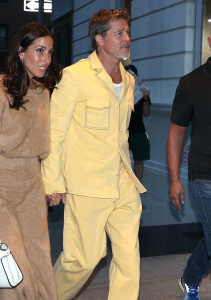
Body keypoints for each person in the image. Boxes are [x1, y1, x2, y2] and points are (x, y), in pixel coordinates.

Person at [41, 9, 146, 300]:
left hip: (123, 183)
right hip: (87, 185)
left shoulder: (128, 81)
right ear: (99, 39)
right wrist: (53, 181)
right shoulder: (74, 77)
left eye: (127, 32)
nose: (127, 38)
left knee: (128, 259)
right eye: (119, 33)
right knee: (84, 259)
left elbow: (120, 135)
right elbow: (54, 133)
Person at [0, 23, 61, 300]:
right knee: (16, 270)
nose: (46, 59)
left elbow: (46, 147)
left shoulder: (43, 93)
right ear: (21, 52)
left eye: (49, 52)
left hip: (32, 183)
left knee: (41, 264)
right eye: (39, 51)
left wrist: (53, 183)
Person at [167, 36, 211, 300]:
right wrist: (174, 179)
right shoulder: (191, 83)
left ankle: (190, 278)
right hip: (205, 176)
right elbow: (176, 133)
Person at [125, 64, 151, 182]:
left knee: (139, 159)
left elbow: (146, 113)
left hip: (138, 130)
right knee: (121, 160)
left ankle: (138, 186)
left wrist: (145, 97)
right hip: (123, 130)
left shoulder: (142, 91)